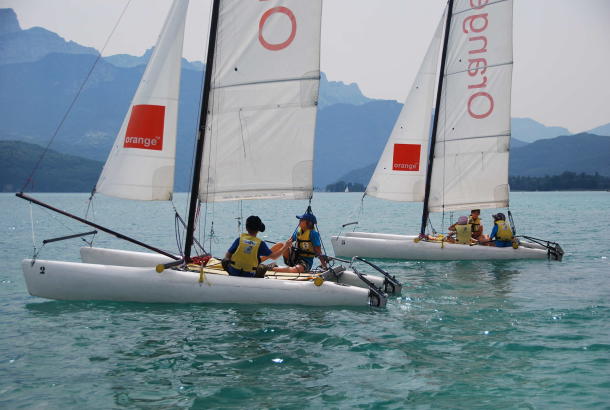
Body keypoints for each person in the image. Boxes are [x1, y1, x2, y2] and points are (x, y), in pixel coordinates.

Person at [222, 215, 289, 278]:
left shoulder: (239, 239)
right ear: (258, 230)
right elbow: (274, 256)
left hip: (234, 272)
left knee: (224, 261)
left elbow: (227, 255)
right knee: (263, 267)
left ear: (246, 228)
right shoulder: (260, 243)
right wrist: (286, 246)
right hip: (249, 274)